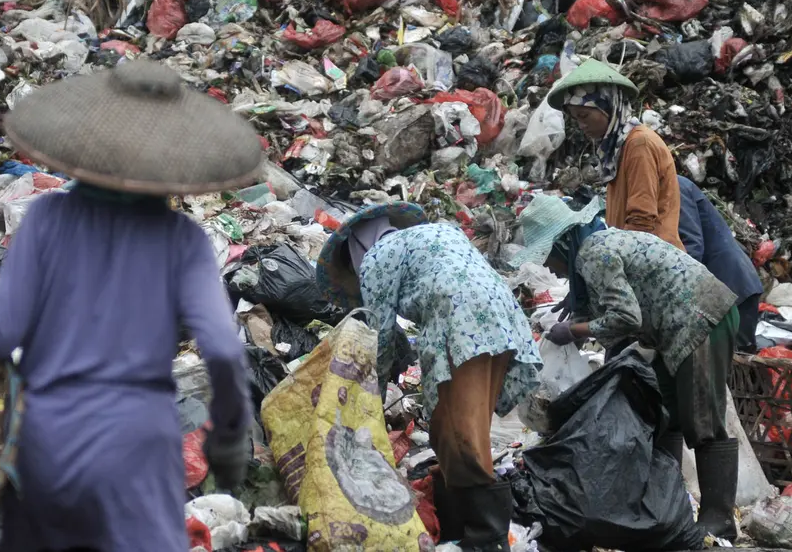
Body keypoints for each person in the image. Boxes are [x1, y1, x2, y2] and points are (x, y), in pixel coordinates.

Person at [0, 61, 258, 552]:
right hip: (140, 445)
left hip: (50, 444)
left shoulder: (49, 218)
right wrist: (228, 434)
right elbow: (222, 348)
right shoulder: (184, 240)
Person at [511, 194, 740, 539]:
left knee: (701, 418)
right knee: (662, 413)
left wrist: (572, 331)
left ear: (563, 244)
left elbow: (625, 317)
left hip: (699, 318)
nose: (551, 269)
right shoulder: (595, 248)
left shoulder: (594, 252)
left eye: (550, 258)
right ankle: (669, 505)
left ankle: (719, 517)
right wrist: (577, 322)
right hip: (672, 328)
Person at [316, 203, 541, 551]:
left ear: (357, 249)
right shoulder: (434, 233)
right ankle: (459, 528)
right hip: (500, 317)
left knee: (458, 431)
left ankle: (488, 539)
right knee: (454, 426)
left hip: (461, 321)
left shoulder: (377, 257)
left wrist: (369, 400)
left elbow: (382, 334)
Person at [546, 60, 683, 249]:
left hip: (654, 259)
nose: (581, 126)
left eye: (584, 116)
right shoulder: (617, 149)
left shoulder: (639, 144)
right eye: (576, 119)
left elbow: (641, 221)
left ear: (608, 106)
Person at [677, 176, 763, 352]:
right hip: (726, 288)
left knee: (735, 367)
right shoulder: (673, 184)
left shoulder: (674, 186)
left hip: (732, 288)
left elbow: (692, 245)